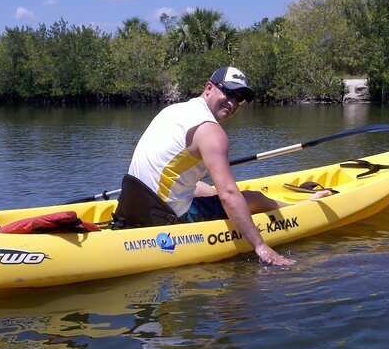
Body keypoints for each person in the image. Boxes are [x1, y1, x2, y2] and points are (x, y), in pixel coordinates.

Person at [118, 66, 331, 265]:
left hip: (133, 204)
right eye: (229, 93)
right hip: (166, 219)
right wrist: (261, 246)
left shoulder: (173, 111)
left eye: (240, 99)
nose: (233, 103)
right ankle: (299, 208)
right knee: (254, 198)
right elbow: (228, 194)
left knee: (203, 187)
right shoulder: (211, 132)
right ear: (209, 87)